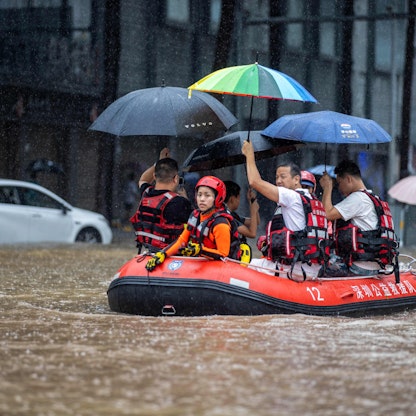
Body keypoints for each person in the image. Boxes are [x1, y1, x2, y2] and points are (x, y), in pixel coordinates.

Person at [242, 140, 329, 280]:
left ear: (296, 179)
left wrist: (249, 155)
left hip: (295, 269)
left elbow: (254, 182)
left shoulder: (292, 197)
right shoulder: (312, 200)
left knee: (245, 265)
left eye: (283, 177)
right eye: (276, 177)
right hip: (313, 267)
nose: (278, 181)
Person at [320, 159, 399, 276]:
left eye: (339, 183)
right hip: (376, 264)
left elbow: (326, 214)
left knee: (322, 272)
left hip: (360, 267)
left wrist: (327, 187)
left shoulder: (358, 198)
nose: (339, 188)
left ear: (348, 179)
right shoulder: (374, 198)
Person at [146, 175, 235, 271]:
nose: (202, 199)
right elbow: (182, 240)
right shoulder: (195, 216)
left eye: (207, 195)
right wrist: (163, 253)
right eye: (199, 195)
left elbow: (223, 254)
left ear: (217, 198)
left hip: (219, 267)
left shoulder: (220, 224)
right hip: (201, 262)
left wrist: (200, 250)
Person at [130, 147, 192, 253]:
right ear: (176, 179)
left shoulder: (146, 193)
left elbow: (143, 179)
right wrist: (185, 198)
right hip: (170, 254)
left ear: (154, 175)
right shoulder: (180, 202)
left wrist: (159, 162)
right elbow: (195, 223)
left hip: (148, 249)